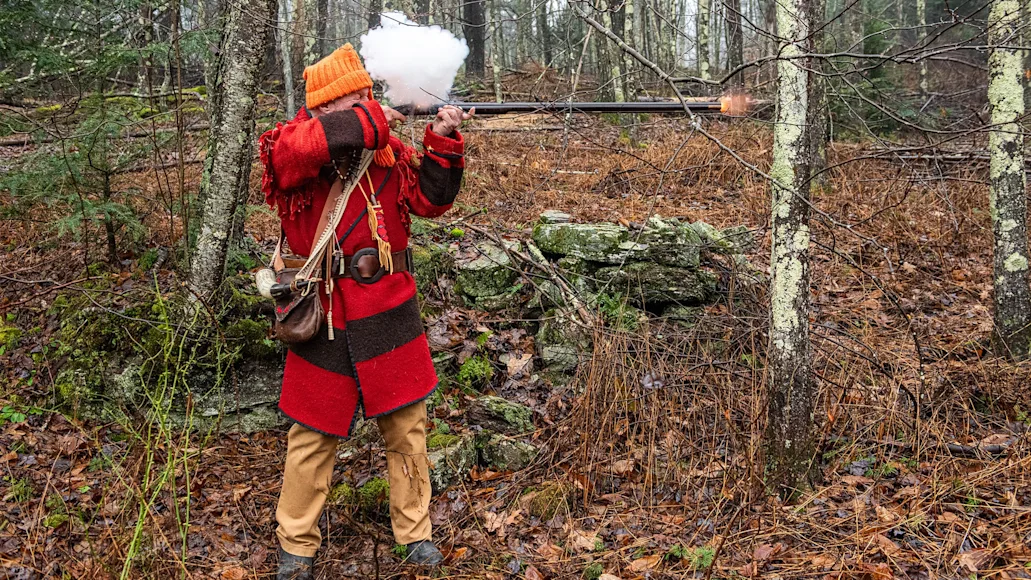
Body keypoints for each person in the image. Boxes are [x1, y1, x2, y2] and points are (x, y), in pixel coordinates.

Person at [258, 43, 473, 579]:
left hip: (389, 308)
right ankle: (295, 546)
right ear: (325, 108)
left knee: (408, 428)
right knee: (311, 435)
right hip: (324, 312)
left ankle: (416, 534)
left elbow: (430, 203)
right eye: (353, 99)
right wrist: (370, 118)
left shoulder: (385, 153)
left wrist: (442, 140)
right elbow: (302, 151)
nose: (368, 104)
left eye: (368, 96)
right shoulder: (292, 145)